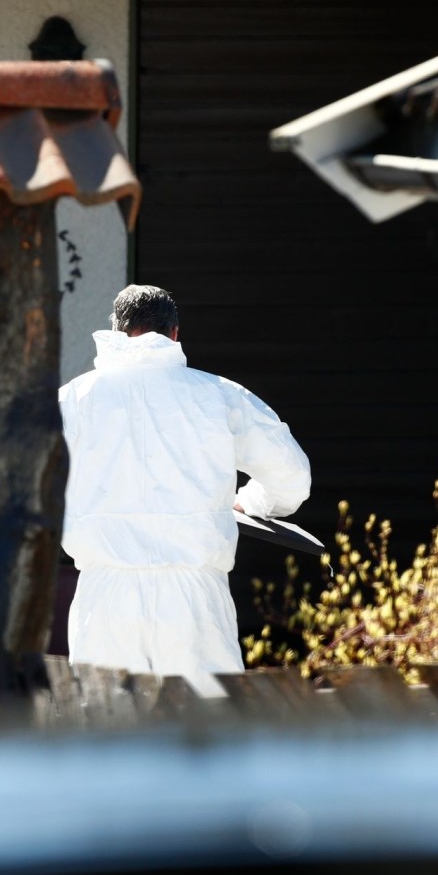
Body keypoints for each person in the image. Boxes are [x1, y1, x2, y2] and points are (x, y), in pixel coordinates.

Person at [59, 285, 311, 697]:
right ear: (175, 334)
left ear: (117, 332)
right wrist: (248, 502)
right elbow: (292, 478)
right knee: (206, 740)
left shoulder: (72, 400)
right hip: (195, 596)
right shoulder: (220, 395)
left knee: (106, 743)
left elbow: (28, 488)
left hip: (105, 595)